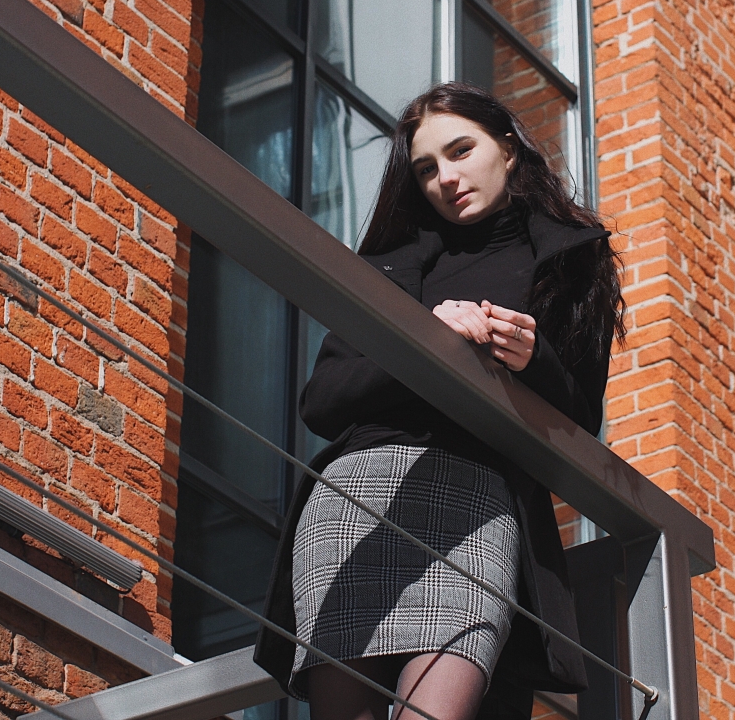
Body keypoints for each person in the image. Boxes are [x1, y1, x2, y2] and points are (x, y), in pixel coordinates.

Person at [254, 82, 626, 720]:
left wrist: (533, 358)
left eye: (460, 151)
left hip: (479, 501)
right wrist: (424, 340)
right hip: (360, 494)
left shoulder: (571, 259)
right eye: (426, 169)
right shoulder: (393, 265)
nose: (445, 179)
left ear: (507, 148)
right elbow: (323, 401)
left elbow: (580, 420)